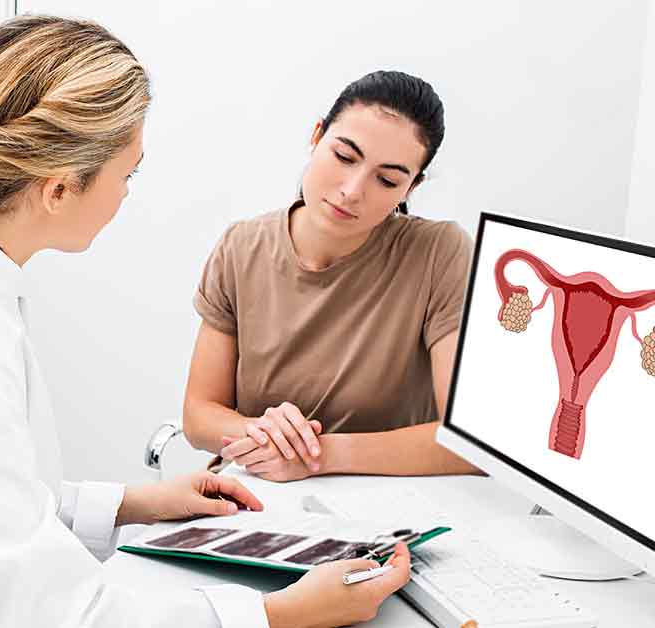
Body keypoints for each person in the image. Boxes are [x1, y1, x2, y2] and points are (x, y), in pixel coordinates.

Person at [0, 16, 409, 628]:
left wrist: (133, 505)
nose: (127, 193)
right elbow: (57, 617)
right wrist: (278, 615)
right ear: (60, 188)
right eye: (129, 174)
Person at [183, 71, 481, 483]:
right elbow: (199, 416)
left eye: (388, 179)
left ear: (412, 186)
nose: (352, 190)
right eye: (344, 157)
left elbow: (466, 441)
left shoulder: (439, 253)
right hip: (258, 496)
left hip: (385, 510)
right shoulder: (242, 247)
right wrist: (266, 435)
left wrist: (318, 454)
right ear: (317, 136)